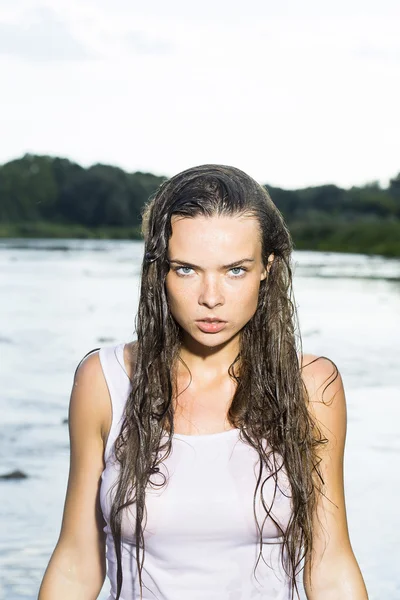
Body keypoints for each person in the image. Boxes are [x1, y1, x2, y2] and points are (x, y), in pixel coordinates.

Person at [38, 164, 368, 600]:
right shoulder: (104, 381)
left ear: (267, 268)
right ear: (159, 270)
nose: (211, 297)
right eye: (187, 269)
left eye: (235, 270)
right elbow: (77, 563)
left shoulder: (311, 387)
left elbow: (329, 565)